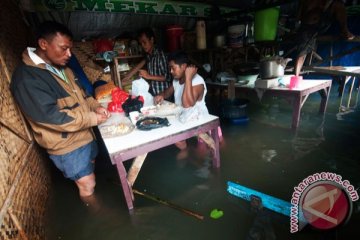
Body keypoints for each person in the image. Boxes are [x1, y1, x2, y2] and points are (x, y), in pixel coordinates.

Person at [10, 21, 111, 200]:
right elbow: (53, 117)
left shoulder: (65, 70)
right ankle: (97, 213)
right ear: (43, 44)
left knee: (90, 170)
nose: (69, 54)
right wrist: (93, 118)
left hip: (85, 135)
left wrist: (97, 107)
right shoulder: (27, 78)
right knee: (87, 185)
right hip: (67, 146)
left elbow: (85, 96)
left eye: (70, 49)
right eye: (63, 48)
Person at [154, 51, 209, 150]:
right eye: (170, 68)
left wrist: (188, 77)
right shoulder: (176, 80)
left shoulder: (197, 80)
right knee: (177, 139)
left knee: (203, 154)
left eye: (173, 68)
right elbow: (167, 93)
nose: (170, 71)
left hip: (200, 121)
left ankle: (188, 154)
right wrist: (160, 95)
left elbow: (187, 104)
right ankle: (186, 152)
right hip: (184, 118)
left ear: (184, 67)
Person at [293, 0, 355, 76]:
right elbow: (298, 18)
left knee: (338, 4)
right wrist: (296, 26)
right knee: (303, 49)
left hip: (323, 23)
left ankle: (344, 30)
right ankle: (296, 75)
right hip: (307, 27)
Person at [122, 27, 172, 97]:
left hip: (165, 95)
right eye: (141, 43)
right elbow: (138, 66)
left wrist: (148, 76)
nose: (142, 45)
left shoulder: (161, 55)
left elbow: (168, 77)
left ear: (151, 40)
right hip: (155, 94)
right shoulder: (149, 56)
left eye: (144, 42)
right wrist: (127, 77)